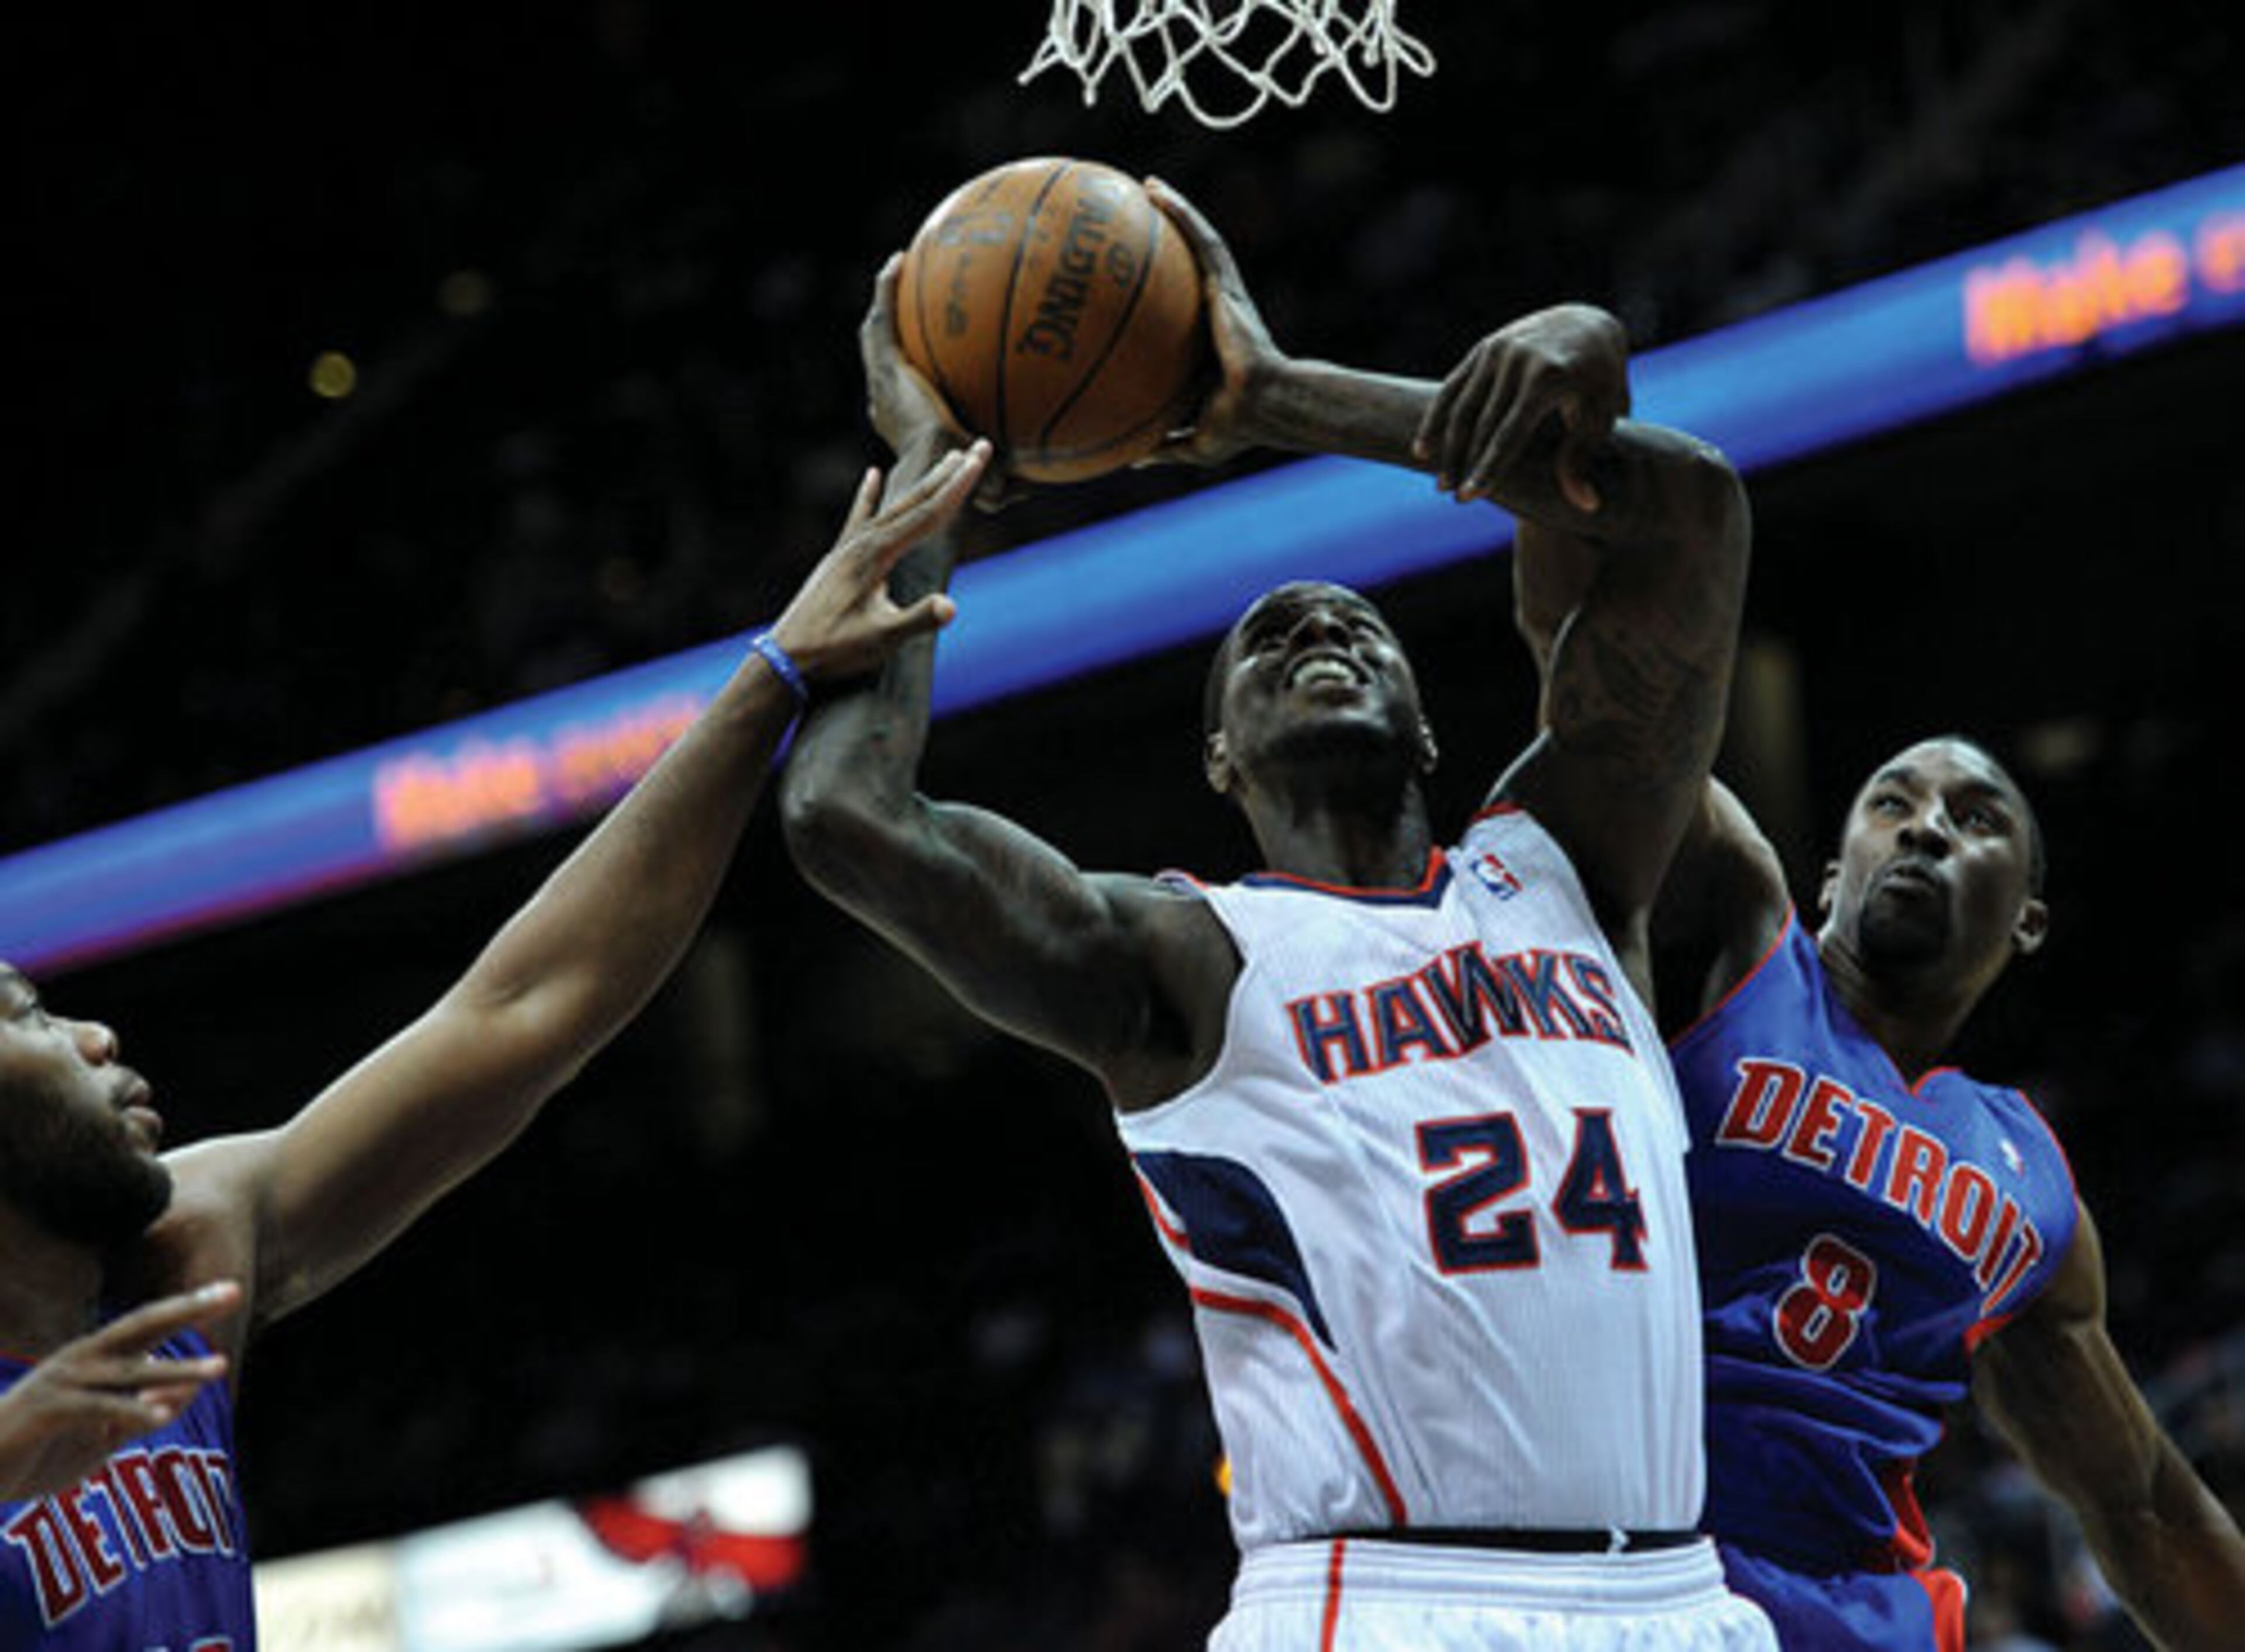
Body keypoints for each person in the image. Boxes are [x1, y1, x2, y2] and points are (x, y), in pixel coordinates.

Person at [780, 181, 1775, 1648]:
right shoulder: (1183, 958)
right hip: (1386, 1599)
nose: (1319, 629)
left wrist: (1284, 398)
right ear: (1219, 762)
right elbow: (844, 816)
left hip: (1681, 1594)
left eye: (1356, 626)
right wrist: (930, 469)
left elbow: (1694, 520)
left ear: (1432, 733)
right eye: (1269, 639)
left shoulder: (1569, 863)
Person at [0, 438, 991, 1646]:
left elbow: (524, 1011)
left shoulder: (183, 1255)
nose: (98, 1035)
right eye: (33, 1017)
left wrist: (773, 675)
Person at [1510, 508, 2245, 1644]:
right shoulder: (1737, 944)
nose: (1926, 831)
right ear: (1826, 873)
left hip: (1871, 1614)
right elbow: (1610, 701)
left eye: (1975, 818)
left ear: (2030, 918)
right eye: (1892, 805)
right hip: (1647, 1576)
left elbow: (2141, 1505)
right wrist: (1554, 482)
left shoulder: (2028, 1179)